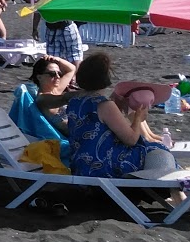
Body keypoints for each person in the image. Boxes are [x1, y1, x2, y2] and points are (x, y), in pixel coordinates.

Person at [64, 51, 173, 179]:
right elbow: (131, 140)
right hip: (104, 167)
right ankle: (174, 193)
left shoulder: (74, 102)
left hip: (80, 165)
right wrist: (138, 117)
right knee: (158, 150)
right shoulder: (104, 105)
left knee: (153, 148)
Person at [30, 54, 78, 118]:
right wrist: (88, 93)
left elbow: (72, 69)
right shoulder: (42, 99)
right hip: (71, 127)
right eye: (52, 74)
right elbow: (65, 99)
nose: (58, 77)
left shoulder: (56, 90)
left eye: (59, 73)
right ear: (39, 77)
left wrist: (57, 59)